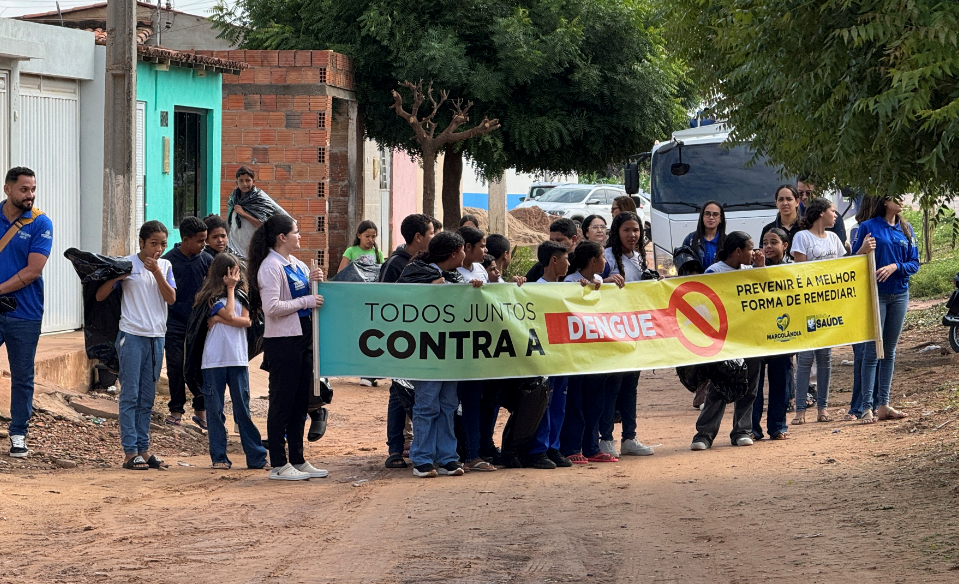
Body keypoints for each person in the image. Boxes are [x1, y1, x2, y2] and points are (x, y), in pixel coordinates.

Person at [248, 214, 327, 481]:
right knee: (282, 402)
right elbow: (271, 308)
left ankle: (298, 459)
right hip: (283, 342)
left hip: (303, 339)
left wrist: (316, 279)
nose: (300, 236)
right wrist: (306, 301)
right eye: (296, 232)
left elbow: (312, 294)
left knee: (299, 403)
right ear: (282, 237)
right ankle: (279, 464)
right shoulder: (270, 266)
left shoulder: (296, 264)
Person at [96, 221, 177, 470]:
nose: (158, 249)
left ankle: (144, 448)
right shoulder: (127, 263)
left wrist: (157, 272)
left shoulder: (166, 266)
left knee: (147, 396)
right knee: (130, 394)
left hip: (156, 337)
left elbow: (171, 298)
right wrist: (118, 276)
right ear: (141, 242)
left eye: (163, 244)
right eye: (153, 243)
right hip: (131, 335)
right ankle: (130, 452)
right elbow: (100, 295)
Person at [397, 232, 468, 478]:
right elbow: (400, 300)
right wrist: (428, 290)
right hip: (425, 349)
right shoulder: (415, 273)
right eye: (462, 250)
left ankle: (447, 457)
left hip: (450, 350)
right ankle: (422, 459)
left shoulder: (456, 277)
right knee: (427, 404)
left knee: (448, 405)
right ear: (454, 253)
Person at [691, 232, 764, 450]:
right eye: (750, 248)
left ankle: (742, 430)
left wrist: (760, 268)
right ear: (738, 251)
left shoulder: (750, 271)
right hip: (725, 340)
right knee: (719, 386)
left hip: (750, 337)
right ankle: (704, 435)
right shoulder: (714, 272)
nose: (754, 252)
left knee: (750, 386)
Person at [195, 253, 268, 469]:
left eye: (237, 272)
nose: (236, 277)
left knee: (242, 409)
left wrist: (218, 319)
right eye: (231, 273)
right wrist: (229, 291)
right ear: (222, 274)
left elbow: (246, 321)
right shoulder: (210, 298)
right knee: (215, 410)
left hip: (237, 358)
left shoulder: (242, 296)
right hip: (214, 360)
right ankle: (219, 457)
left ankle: (256, 457)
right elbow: (229, 313)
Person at [0, 167, 52, 458]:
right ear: (7, 189)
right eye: (24, 189)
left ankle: (18, 433)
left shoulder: (40, 223)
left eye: (32, 189)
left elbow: (33, 271)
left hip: (25, 313)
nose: (30, 195)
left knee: (22, 375)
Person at [852, 196, 918, 424]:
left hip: (900, 294)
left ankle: (884, 404)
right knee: (872, 351)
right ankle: (866, 407)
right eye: (895, 196)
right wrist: (863, 249)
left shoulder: (906, 229)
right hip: (875, 295)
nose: (901, 200)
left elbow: (914, 263)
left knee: (889, 351)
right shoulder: (868, 227)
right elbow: (852, 261)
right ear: (884, 201)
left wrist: (895, 267)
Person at [380, 214, 435, 470]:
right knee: (397, 392)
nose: (433, 237)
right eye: (431, 233)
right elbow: (384, 299)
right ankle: (395, 448)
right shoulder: (395, 264)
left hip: (422, 339)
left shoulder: (428, 263)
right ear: (418, 237)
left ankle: (413, 442)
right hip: (400, 339)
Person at [559, 240, 620, 464]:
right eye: (602, 257)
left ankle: (591, 447)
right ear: (593, 261)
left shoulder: (599, 281)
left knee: (596, 401)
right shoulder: (571, 282)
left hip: (597, 352)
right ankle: (572, 447)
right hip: (577, 354)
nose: (605, 261)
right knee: (576, 401)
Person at [600, 212, 654, 457]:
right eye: (627, 230)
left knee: (630, 387)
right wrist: (606, 281)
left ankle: (629, 437)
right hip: (612, 331)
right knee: (612, 386)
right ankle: (605, 438)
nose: (632, 235)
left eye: (636, 230)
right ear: (616, 232)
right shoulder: (607, 257)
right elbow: (591, 284)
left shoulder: (640, 258)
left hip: (635, 331)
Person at [790, 197, 847, 424]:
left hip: (828, 306)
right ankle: (800, 409)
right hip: (808, 306)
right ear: (821, 212)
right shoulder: (802, 237)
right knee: (805, 358)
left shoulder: (834, 238)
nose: (835, 215)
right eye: (833, 210)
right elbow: (801, 272)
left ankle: (823, 408)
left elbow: (843, 268)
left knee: (825, 357)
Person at [526, 240, 574, 469]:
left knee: (558, 403)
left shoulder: (568, 289)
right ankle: (538, 449)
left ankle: (553, 446)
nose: (569, 264)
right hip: (543, 355)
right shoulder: (534, 289)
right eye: (566, 259)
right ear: (554, 260)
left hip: (562, 353)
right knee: (544, 402)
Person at [163, 217, 213, 428]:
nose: (204, 244)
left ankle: (201, 410)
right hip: (173, 322)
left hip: (199, 324)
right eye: (200, 240)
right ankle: (176, 409)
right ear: (185, 240)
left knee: (200, 366)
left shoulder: (207, 260)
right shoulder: (168, 262)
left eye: (205, 240)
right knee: (175, 366)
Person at [751, 228, 793, 441]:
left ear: (785, 245)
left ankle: (778, 426)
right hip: (757, 334)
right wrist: (759, 269)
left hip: (782, 335)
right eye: (764, 242)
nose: (768, 246)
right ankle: (752, 428)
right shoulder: (750, 268)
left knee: (781, 383)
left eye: (773, 242)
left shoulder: (794, 269)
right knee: (754, 385)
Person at [846, 197, 880, 420]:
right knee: (863, 354)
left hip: (880, 297)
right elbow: (851, 264)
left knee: (879, 353)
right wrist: (862, 249)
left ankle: (877, 402)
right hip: (860, 299)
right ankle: (858, 406)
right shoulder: (860, 231)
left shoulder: (893, 229)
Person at [227, 166, 289, 259]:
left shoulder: (260, 199)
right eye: (241, 181)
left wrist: (244, 214)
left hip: (253, 249)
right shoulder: (233, 200)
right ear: (237, 182)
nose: (244, 184)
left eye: (247, 180)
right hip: (234, 248)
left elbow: (263, 225)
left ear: (253, 181)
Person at [797, 174, 848, 247]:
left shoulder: (832, 216)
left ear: (819, 190)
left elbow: (840, 247)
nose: (804, 197)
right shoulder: (793, 214)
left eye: (808, 193)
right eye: (800, 193)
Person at [682, 201, 726, 270]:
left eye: (715, 214)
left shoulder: (727, 241)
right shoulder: (691, 239)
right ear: (702, 216)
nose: (711, 217)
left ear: (720, 219)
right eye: (707, 214)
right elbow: (683, 264)